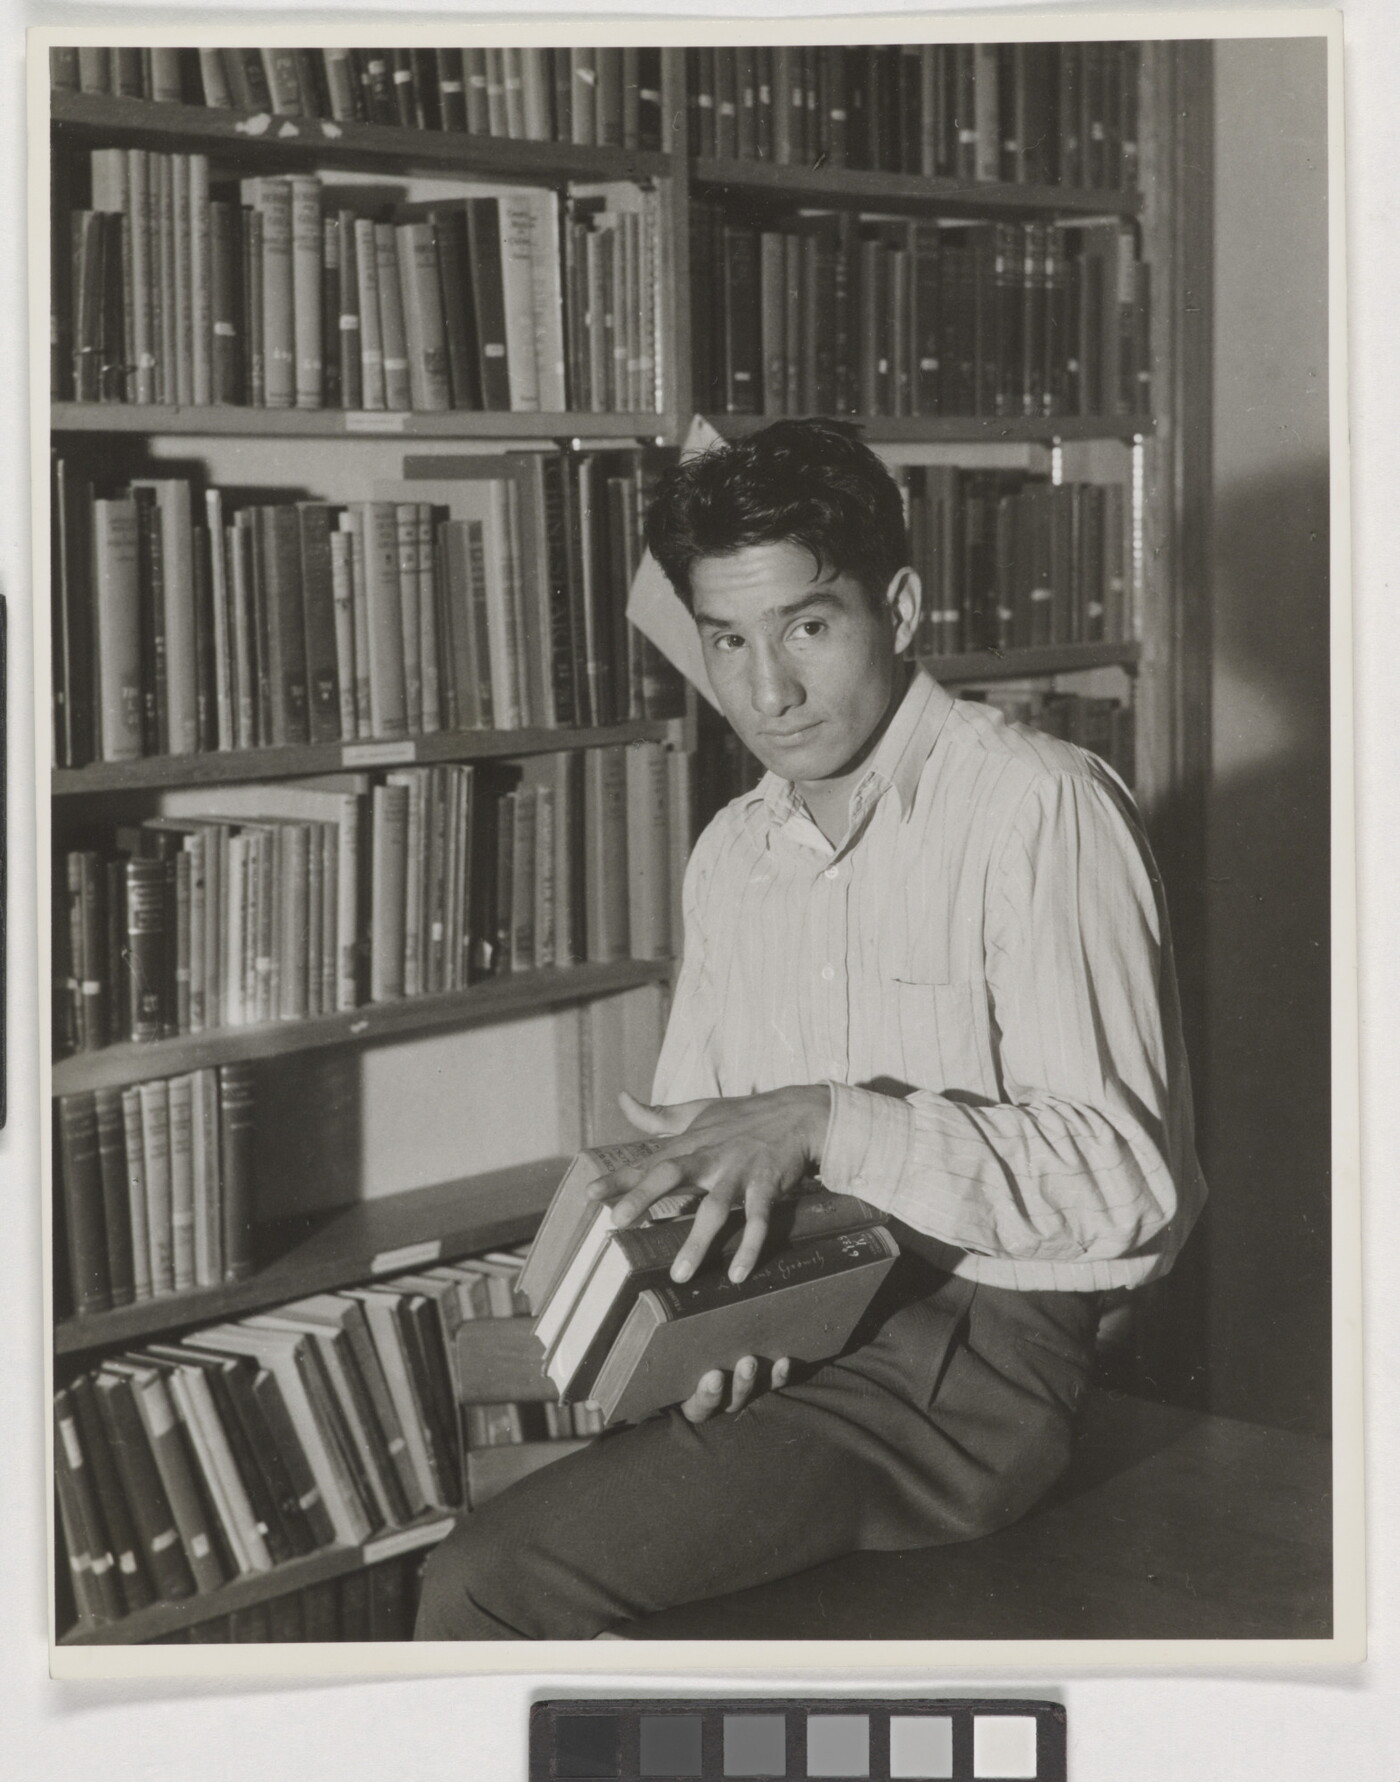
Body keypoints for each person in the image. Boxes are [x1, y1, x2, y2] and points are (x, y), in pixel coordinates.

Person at [414, 418, 1206, 1641]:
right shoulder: (732, 852)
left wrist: (824, 1122)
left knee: (486, 1580)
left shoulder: (1037, 805)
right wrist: (712, 1330)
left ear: (898, 608)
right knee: (540, 1548)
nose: (765, 690)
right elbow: (707, 1162)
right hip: (803, 1315)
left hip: (977, 1360)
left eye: (807, 628)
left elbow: (1123, 1185)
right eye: (726, 639)